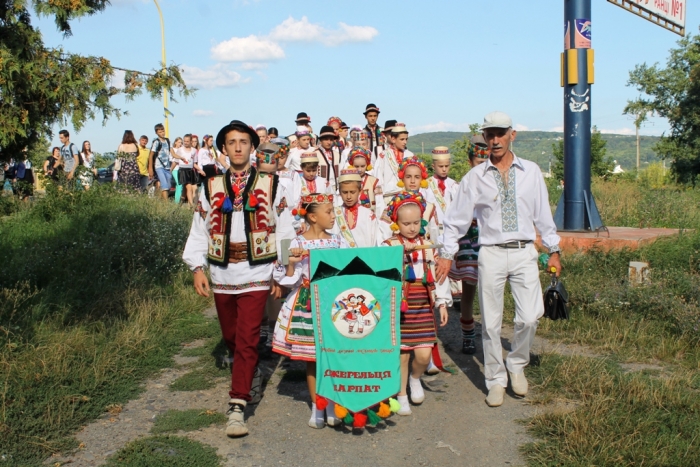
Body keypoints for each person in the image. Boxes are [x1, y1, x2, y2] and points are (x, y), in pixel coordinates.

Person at [437, 111, 562, 408]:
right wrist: (445, 253)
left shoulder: (530, 171)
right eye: (489, 134)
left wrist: (553, 248)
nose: (494, 140)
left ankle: (516, 364)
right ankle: (495, 379)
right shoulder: (475, 177)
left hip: (524, 251)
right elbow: (456, 220)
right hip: (490, 252)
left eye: (500, 134)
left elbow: (543, 215)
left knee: (530, 316)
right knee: (491, 324)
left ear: (512, 135)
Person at [183, 120, 294, 437]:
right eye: (231, 142)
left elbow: (284, 231)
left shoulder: (272, 186)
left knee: (246, 337)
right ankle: (251, 370)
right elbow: (199, 228)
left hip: (257, 270)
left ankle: (237, 405)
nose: (238, 147)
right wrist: (196, 268)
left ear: (252, 147)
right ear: (223, 149)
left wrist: (281, 269)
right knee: (232, 337)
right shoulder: (210, 187)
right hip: (221, 271)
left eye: (243, 141)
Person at [271, 192, 349, 429]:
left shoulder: (339, 242)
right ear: (313, 217)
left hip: (333, 303)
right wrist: (292, 264)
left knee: (333, 355)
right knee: (313, 359)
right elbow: (283, 279)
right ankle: (317, 405)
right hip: (307, 303)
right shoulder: (296, 243)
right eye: (329, 212)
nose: (334, 216)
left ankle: (334, 403)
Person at [381, 192, 450, 416]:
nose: (411, 228)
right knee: (402, 353)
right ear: (396, 222)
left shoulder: (428, 245)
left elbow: (438, 275)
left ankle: (415, 378)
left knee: (423, 354)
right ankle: (401, 394)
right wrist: (397, 256)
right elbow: (381, 273)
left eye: (415, 223)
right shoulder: (388, 245)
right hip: (401, 304)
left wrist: (441, 303)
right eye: (405, 223)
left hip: (422, 303)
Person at [446, 137, 490, 355]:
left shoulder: (495, 180)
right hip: (469, 238)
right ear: (470, 161)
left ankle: (490, 335)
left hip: (490, 238)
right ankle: (468, 336)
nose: (482, 164)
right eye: (478, 160)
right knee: (469, 289)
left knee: (491, 289)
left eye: (486, 160)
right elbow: (456, 215)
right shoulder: (464, 183)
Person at [378, 156, 439, 244]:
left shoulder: (430, 208)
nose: (413, 181)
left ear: (422, 179)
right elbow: (383, 233)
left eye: (417, 177)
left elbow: (434, 234)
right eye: (408, 177)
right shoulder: (392, 206)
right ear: (402, 178)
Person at [329, 169, 378, 247]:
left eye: (352, 192)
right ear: (340, 193)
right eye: (345, 192)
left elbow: (374, 241)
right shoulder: (333, 214)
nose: (348, 197)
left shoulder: (368, 215)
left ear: (360, 191)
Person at [373, 123, 414, 203]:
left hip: (407, 196)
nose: (405, 142)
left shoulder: (410, 155)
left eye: (406, 139)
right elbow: (378, 178)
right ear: (393, 139)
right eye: (402, 139)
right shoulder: (383, 155)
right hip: (388, 198)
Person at [347, 147, 384, 215]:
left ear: (367, 165)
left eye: (362, 166)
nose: (360, 169)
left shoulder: (374, 181)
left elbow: (379, 204)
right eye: (356, 166)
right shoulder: (347, 181)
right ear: (352, 165)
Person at [148, 123, 175, 200]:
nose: (162, 133)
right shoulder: (156, 142)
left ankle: (160, 199)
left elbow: (173, 153)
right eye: (159, 132)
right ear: (156, 133)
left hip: (167, 166)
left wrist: (181, 157)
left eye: (163, 131)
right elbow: (151, 155)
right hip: (159, 166)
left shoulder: (167, 141)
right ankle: (166, 204)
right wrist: (150, 168)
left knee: (169, 185)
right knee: (164, 185)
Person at [314, 125, 341, 192]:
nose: (329, 142)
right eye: (326, 139)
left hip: (335, 189)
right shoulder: (315, 154)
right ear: (321, 140)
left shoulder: (337, 154)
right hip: (321, 189)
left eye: (331, 140)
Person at [174, 134, 198, 207]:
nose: (186, 142)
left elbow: (194, 163)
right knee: (189, 187)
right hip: (182, 170)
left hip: (190, 171)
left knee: (185, 190)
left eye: (187, 141)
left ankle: (179, 205)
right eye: (184, 141)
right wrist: (171, 170)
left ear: (191, 141)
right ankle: (191, 205)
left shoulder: (194, 151)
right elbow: (175, 161)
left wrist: (200, 170)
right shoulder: (180, 150)